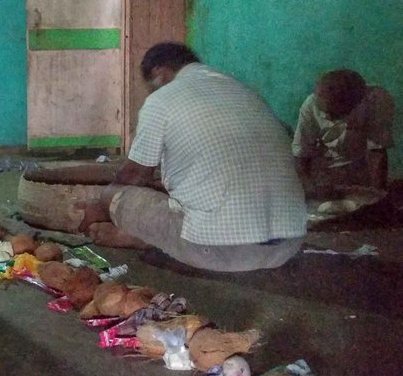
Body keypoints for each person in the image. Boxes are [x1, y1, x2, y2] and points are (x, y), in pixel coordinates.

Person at [79, 42, 307, 272]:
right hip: (288, 247)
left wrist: (99, 207)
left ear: (159, 72)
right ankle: (159, 240)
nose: (152, 91)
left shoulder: (162, 100)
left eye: (150, 85)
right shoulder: (243, 91)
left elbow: (134, 177)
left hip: (220, 252)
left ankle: (143, 238)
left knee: (114, 194)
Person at [292, 69, 394, 197]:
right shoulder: (310, 105)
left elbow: (377, 153)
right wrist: (310, 189)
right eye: (323, 112)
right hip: (323, 174)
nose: (327, 118)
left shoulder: (376, 101)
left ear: (354, 104)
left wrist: (378, 195)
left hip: (360, 170)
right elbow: (301, 155)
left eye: (333, 114)